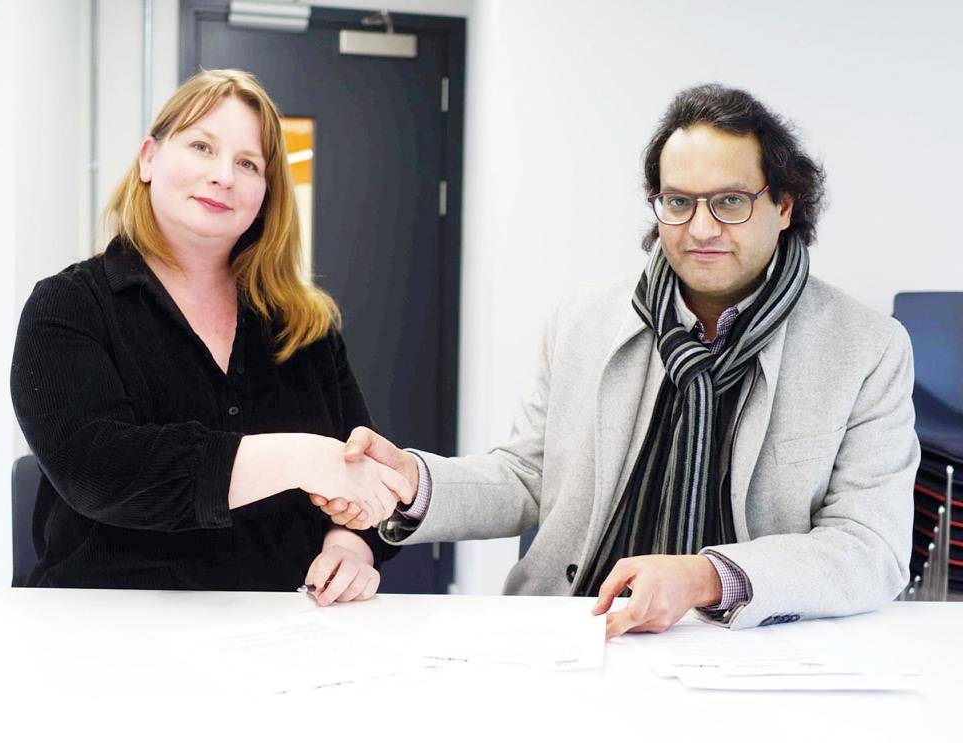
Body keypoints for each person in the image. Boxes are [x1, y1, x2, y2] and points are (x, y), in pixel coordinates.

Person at [312, 83, 920, 633]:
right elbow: (529, 477)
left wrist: (707, 576)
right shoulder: (583, 320)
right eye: (678, 202)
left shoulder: (866, 349)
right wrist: (414, 483)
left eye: (730, 201)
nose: (701, 228)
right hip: (580, 627)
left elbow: (870, 546)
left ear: (784, 206)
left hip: (751, 646)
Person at [11, 69, 412, 605]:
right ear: (149, 158)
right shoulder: (68, 306)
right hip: (109, 628)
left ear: (266, 193)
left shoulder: (306, 325)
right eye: (202, 146)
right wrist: (298, 458)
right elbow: (100, 472)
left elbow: (364, 469)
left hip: (283, 626)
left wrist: (351, 543)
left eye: (248, 163)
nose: (223, 175)